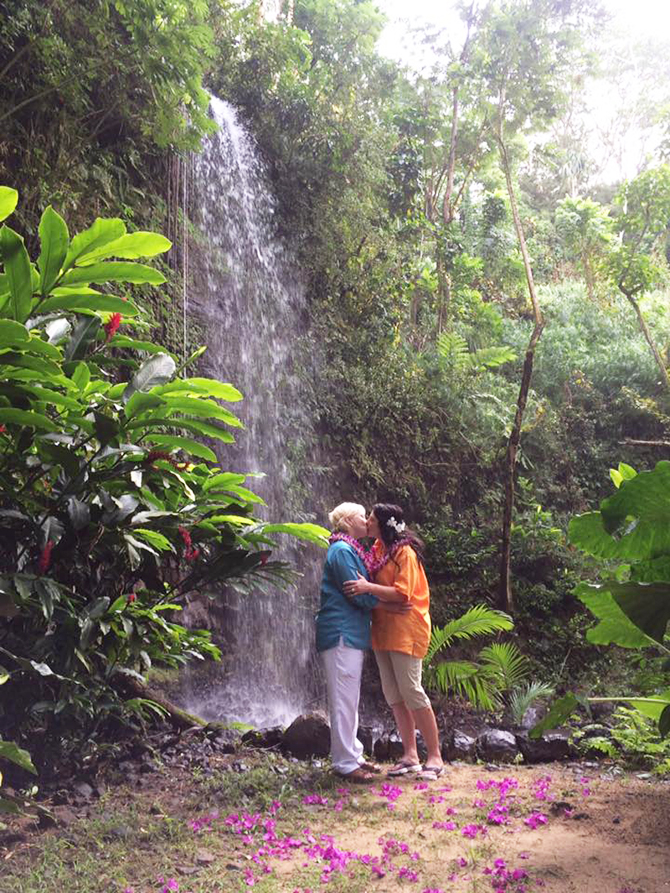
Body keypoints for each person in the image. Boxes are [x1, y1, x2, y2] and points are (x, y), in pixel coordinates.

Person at [344, 503, 444, 779]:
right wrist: (374, 597)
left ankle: (435, 755)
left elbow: (402, 594)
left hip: (407, 630)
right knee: (393, 693)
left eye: (371, 519)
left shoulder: (405, 553)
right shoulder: (377, 550)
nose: (366, 522)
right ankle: (410, 755)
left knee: (412, 690)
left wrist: (368, 588)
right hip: (383, 629)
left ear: (385, 524)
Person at [316, 502, 407, 783]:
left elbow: (363, 590)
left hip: (350, 632)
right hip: (341, 632)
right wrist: (389, 607)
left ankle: (353, 754)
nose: (366, 521)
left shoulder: (350, 549)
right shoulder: (342, 551)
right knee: (344, 699)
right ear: (346, 521)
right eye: (361, 516)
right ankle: (344, 763)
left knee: (350, 697)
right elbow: (356, 593)